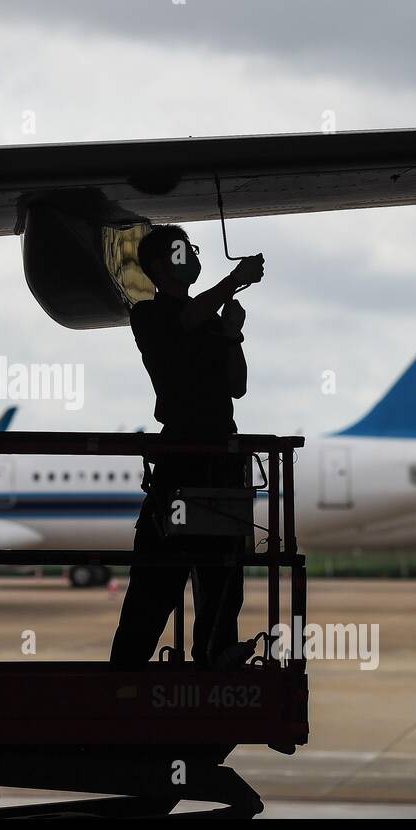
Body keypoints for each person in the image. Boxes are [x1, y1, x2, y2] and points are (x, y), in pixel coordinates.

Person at [110, 225, 264, 670]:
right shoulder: (149, 314)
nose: (193, 256)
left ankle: (195, 666)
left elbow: (238, 387)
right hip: (192, 462)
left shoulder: (207, 319)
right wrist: (231, 284)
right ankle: (130, 675)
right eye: (183, 250)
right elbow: (186, 320)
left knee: (218, 590)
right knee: (157, 589)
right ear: (160, 265)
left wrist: (233, 335)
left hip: (205, 463)